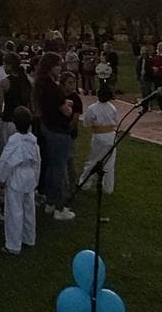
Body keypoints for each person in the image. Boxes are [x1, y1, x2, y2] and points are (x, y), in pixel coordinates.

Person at [35, 52, 76, 221]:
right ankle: (59, 207)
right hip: (58, 130)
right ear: (51, 67)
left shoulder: (42, 83)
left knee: (52, 166)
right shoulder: (53, 87)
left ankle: (50, 202)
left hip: (47, 127)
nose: (61, 68)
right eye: (58, 65)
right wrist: (68, 106)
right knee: (59, 168)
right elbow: (65, 112)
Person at [0, 106, 41, 256]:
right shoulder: (33, 141)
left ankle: (13, 245)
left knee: (14, 211)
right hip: (29, 176)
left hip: (16, 176)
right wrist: (36, 178)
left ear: (14, 123)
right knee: (29, 209)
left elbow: (6, 161)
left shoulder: (14, 142)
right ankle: (29, 237)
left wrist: (0, 178)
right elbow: (37, 161)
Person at [80, 84, 120, 193]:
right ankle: (108, 187)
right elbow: (116, 121)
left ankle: (85, 183)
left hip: (98, 136)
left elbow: (86, 122)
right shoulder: (112, 107)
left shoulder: (92, 108)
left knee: (93, 160)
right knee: (109, 163)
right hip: (111, 136)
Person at [61, 71, 84, 188]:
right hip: (58, 131)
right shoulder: (59, 95)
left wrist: (68, 129)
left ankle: (73, 182)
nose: (72, 85)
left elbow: (75, 119)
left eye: (74, 82)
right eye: (69, 82)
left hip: (69, 133)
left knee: (70, 158)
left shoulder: (76, 99)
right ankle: (63, 182)